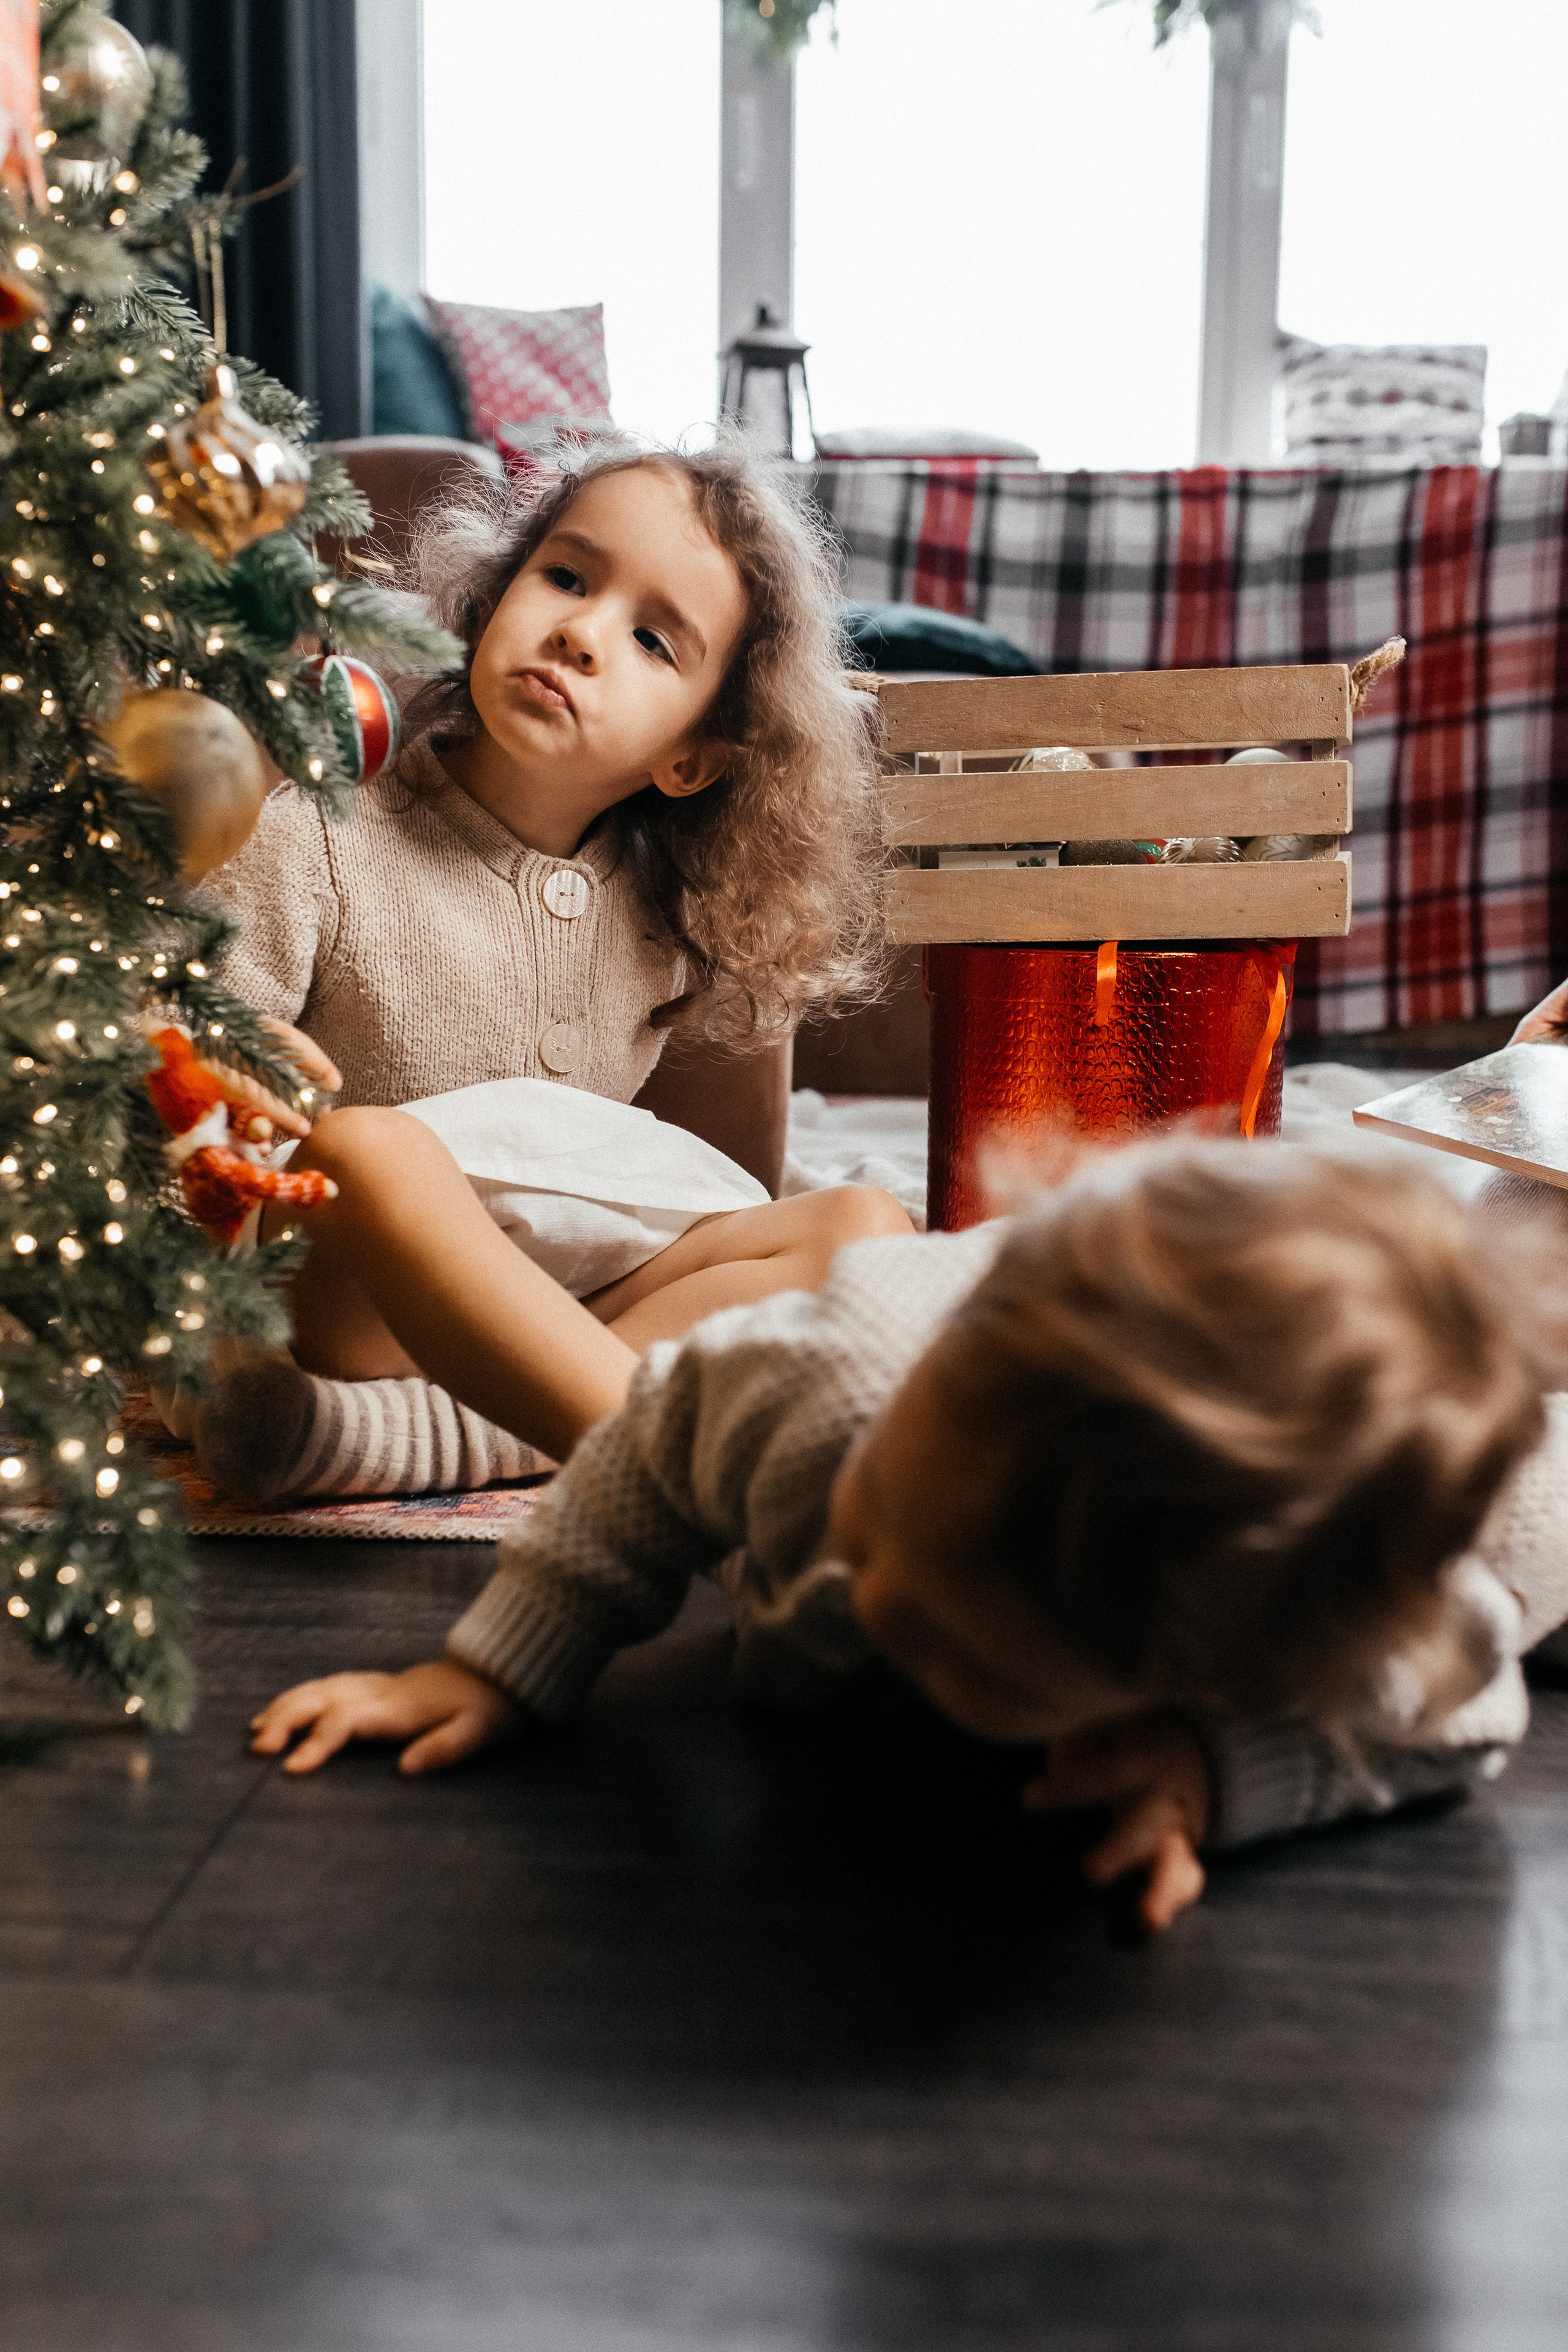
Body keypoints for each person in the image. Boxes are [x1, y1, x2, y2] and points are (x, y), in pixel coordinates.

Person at [249, 1134, 1568, 1935]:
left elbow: (1466, 1724)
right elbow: (654, 1437)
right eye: (875, 1521)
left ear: (1212, 1663)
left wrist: (1210, 1769)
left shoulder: (1341, 1631)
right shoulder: (834, 1379)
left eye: (967, 1653)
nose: (870, 1599)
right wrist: (504, 1662)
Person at [191, 435, 909, 1501]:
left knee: (865, 1229)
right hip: (341, 1276)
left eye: (654, 642)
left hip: (551, 1295)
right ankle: (657, 1475)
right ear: (491, 599)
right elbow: (182, 1060)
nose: (580, 634)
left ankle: (421, 1437)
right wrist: (238, 1079)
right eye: (566, 578)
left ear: (692, 759)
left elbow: (629, 1193)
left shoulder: (667, 912)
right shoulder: (320, 828)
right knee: (375, 1148)